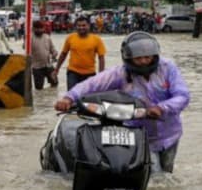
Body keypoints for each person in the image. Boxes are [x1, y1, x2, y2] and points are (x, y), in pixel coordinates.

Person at [54, 32, 190, 173]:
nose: (143, 61)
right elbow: (91, 84)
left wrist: (161, 108)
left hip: (170, 134)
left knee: (167, 173)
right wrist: (68, 98)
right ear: (128, 58)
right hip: (140, 136)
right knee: (155, 175)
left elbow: (182, 95)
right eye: (138, 58)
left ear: (155, 55)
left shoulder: (168, 68)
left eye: (147, 57)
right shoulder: (120, 73)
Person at [54, 16, 106, 89]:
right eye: (79, 26)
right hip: (73, 72)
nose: (81, 28)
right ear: (76, 26)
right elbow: (63, 54)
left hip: (90, 73)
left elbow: (101, 58)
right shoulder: (70, 38)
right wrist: (57, 69)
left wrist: (101, 75)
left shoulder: (96, 39)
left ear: (89, 26)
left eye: (84, 25)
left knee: (87, 98)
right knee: (72, 96)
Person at [29, 20, 58, 90]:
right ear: (33, 29)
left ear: (44, 28)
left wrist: (55, 53)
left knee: (55, 83)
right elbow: (25, 49)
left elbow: (52, 48)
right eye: (37, 28)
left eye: (41, 28)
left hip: (49, 65)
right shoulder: (30, 38)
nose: (39, 30)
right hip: (36, 67)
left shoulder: (47, 37)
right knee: (39, 88)